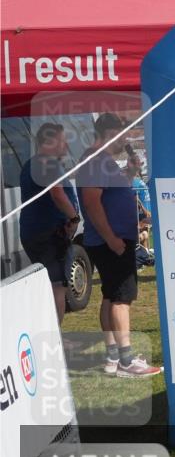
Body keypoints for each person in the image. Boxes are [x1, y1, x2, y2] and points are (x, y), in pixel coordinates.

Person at [77, 114, 161, 378]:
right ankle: (126, 360)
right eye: (123, 134)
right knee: (122, 298)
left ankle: (114, 356)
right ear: (109, 132)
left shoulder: (104, 161)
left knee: (111, 295)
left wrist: (131, 173)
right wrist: (112, 239)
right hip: (110, 241)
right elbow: (91, 202)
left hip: (113, 239)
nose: (126, 139)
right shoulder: (94, 160)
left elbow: (114, 190)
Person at [18, 122, 81, 324]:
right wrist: (74, 217)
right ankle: (55, 340)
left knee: (47, 285)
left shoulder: (30, 164)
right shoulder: (48, 162)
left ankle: (50, 334)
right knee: (56, 286)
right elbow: (57, 193)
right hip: (48, 234)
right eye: (62, 141)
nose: (65, 146)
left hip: (34, 232)